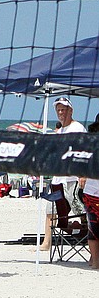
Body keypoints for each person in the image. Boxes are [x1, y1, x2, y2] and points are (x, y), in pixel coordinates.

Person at [41, 96, 87, 246]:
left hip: (72, 178)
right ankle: (46, 243)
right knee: (51, 212)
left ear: (70, 110)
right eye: (58, 110)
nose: (61, 112)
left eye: (64, 109)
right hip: (58, 179)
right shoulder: (59, 131)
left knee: (81, 210)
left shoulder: (78, 128)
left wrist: (83, 174)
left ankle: (87, 237)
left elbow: (84, 151)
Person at [79, 120, 99, 269]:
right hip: (92, 193)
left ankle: (94, 260)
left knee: (93, 228)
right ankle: (95, 261)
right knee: (93, 229)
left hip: (90, 193)